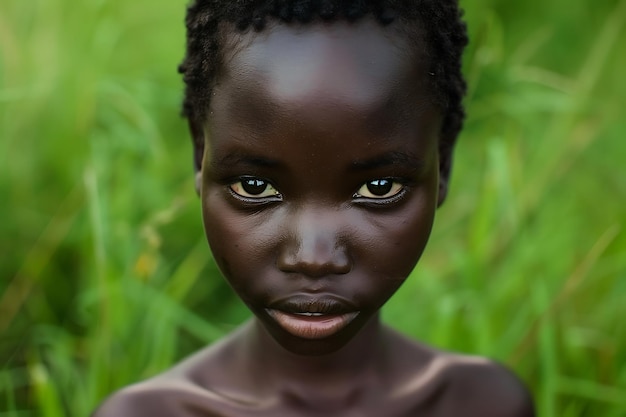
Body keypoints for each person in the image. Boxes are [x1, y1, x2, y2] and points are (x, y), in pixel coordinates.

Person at [92, 1, 535, 416]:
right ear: (199, 154)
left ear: (443, 162)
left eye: (379, 188)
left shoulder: (483, 404)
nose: (314, 256)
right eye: (254, 186)